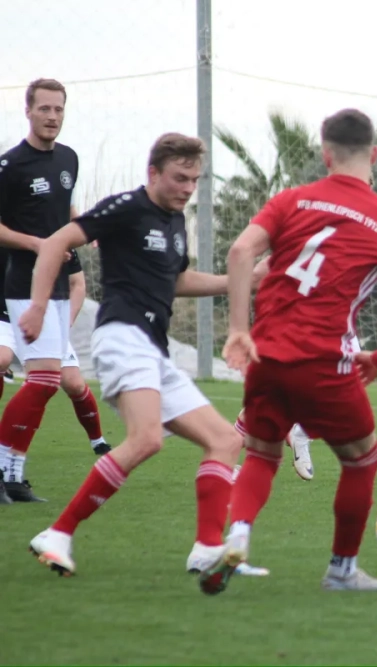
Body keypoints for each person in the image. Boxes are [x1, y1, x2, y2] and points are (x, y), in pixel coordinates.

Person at [198, 108, 377, 595]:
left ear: (326, 154)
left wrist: (239, 329)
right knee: (363, 459)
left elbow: (240, 252)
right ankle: (342, 571)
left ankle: (237, 537)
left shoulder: (291, 200)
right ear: (375, 154)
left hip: (265, 356)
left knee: (261, 453)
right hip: (324, 362)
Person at [21, 132, 264, 578]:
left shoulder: (175, 223)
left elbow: (177, 281)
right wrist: (38, 306)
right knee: (147, 438)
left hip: (153, 350)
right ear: (153, 173)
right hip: (122, 336)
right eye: (179, 178)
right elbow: (57, 242)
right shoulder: (126, 207)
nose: (188, 188)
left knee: (226, 441)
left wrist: (245, 281)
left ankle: (207, 548)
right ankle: (57, 534)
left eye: (194, 180)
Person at [0, 78, 109, 503]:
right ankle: (4, 468)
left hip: (61, 283)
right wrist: (38, 245)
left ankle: (13, 477)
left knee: (46, 383)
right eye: (44, 108)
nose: (52, 116)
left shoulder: (68, 158)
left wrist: (85, 230)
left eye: (58, 109)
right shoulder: (10, 166)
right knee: (44, 379)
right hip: (23, 282)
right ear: (28, 111)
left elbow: (63, 209)